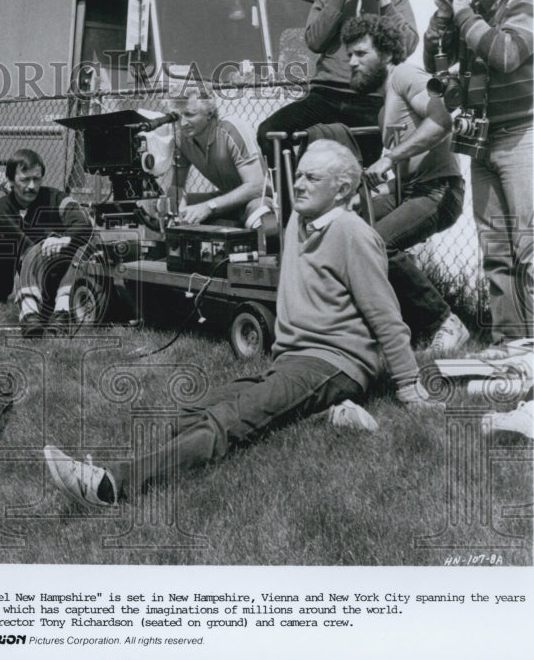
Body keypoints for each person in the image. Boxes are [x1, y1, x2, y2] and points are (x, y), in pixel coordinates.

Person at [45, 140, 434, 506]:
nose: (298, 184)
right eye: (298, 175)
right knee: (197, 410)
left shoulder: (353, 234)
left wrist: (409, 387)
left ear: (343, 188)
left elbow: (385, 315)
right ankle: (323, 413)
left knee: (226, 421)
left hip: (332, 362)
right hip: (291, 360)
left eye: (312, 178)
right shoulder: (300, 219)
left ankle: (112, 485)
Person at [423, 0, 533, 357]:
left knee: (531, 246)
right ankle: (511, 342)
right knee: (497, 249)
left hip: (524, 138)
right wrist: (441, 18)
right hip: (483, 145)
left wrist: (464, 10)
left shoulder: (525, 6)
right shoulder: (471, 19)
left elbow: (505, 54)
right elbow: (436, 69)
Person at [340, 14, 470, 354]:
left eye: (361, 53)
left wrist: (390, 157)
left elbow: (444, 119)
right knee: (349, 228)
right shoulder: (386, 107)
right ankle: (385, 326)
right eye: (349, 55)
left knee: (379, 244)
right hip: (411, 192)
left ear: (386, 53)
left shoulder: (405, 74)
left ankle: (445, 322)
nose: (352, 62)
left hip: (439, 191)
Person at [257, 0, 419, 164]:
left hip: (371, 99)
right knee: (270, 132)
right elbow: (314, 42)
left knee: (358, 166)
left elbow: (407, 46)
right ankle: (293, 198)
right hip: (326, 96)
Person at [0, 148, 93, 337]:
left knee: (80, 242)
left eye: (37, 179)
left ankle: (61, 310)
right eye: (25, 180)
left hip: (60, 267)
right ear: (10, 181)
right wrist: (43, 243)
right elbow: (22, 244)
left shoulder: (56, 197)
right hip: (30, 266)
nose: (32, 186)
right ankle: (9, 299)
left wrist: (64, 238)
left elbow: (82, 223)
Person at [166, 87, 277, 242]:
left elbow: (257, 186)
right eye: (178, 116)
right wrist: (178, 212)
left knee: (258, 216)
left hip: (260, 197)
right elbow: (177, 187)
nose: (183, 122)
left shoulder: (230, 129)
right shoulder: (181, 138)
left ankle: (265, 259)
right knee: (161, 205)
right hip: (226, 197)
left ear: (209, 113)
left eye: (190, 115)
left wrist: (208, 207)